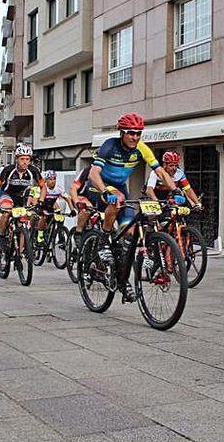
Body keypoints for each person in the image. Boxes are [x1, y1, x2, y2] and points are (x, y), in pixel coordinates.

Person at [88, 112, 181, 302]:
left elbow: (160, 172)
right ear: (122, 132)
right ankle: (104, 240)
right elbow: (93, 172)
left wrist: (175, 190)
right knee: (118, 198)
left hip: (121, 187)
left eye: (138, 133)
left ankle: (122, 278)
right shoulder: (109, 145)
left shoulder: (141, 148)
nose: (135, 137)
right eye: (131, 133)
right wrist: (105, 191)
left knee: (129, 233)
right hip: (99, 185)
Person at [0, 145, 45, 252]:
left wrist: (40, 202)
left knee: (22, 223)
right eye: (22, 159)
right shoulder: (9, 170)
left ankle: (20, 251)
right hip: (7, 194)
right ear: (16, 159)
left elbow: (43, 187)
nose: (25, 162)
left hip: (22, 197)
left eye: (27, 159)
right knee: (6, 212)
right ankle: (0, 236)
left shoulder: (34, 171)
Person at [35, 170, 74, 243]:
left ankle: (57, 234)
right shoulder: (42, 188)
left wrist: (72, 210)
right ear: (46, 180)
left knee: (59, 216)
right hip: (41, 206)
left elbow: (68, 198)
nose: (53, 181)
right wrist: (38, 208)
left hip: (50, 207)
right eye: (50, 179)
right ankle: (40, 235)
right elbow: (35, 199)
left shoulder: (58, 188)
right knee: (44, 216)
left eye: (54, 179)